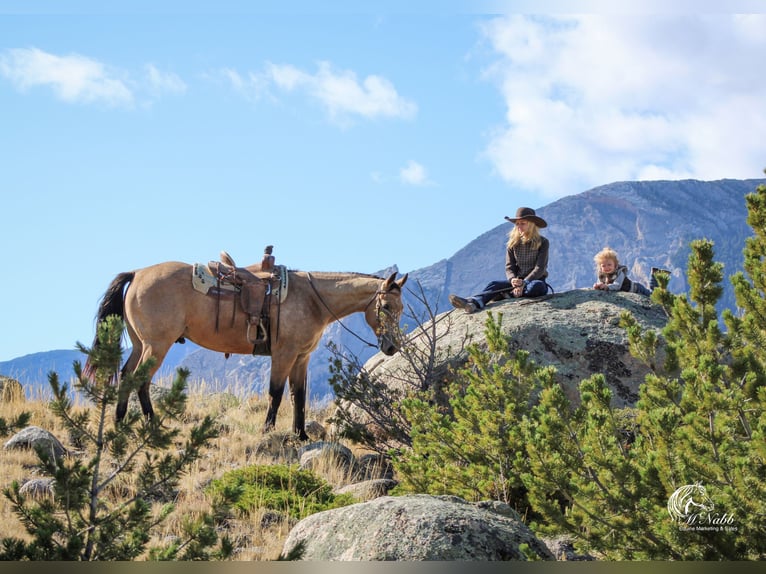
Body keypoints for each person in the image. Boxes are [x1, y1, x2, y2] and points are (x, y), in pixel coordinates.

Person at [449, 207, 551, 314]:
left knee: (536, 287)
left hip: (533, 281)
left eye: (523, 223)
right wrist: (512, 280)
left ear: (531, 224)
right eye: (517, 224)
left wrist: (524, 282)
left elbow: (540, 267)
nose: (519, 226)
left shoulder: (543, 242)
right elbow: (509, 267)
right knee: (494, 284)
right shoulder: (513, 244)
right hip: (516, 282)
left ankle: (508, 294)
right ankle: (473, 302)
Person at [592, 247, 668, 295]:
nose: (607, 267)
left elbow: (617, 285)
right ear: (600, 267)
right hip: (631, 290)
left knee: (652, 295)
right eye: (603, 266)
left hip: (636, 289)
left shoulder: (619, 272)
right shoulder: (602, 275)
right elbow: (600, 284)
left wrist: (606, 287)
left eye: (609, 265)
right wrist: (598, 286)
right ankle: (655, 275)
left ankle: (655, 275)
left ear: (615, 265)